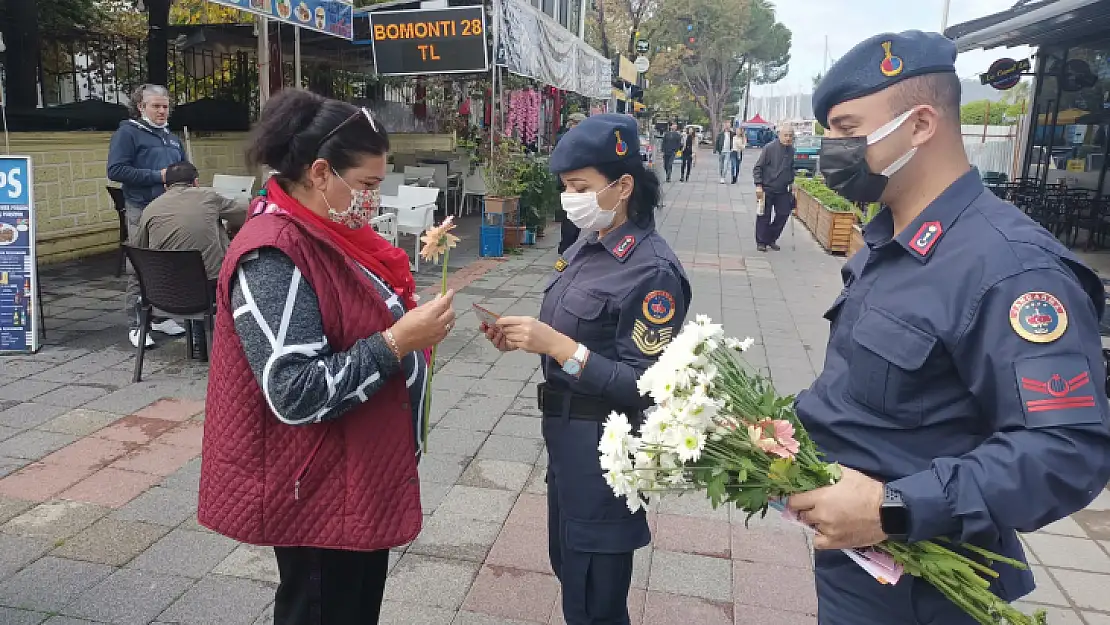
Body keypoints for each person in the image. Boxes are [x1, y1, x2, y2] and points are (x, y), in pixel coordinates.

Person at [787, 31, 1110, 625]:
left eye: (847, 127)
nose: (829, 147)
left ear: (920, 125)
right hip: (860, 571)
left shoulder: (1012, 269)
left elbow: (1066, 450)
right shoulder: (887, 244)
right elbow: (872, 396)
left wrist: (896, 506)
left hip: (922, 595)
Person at [198, 89, 457, 625]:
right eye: (366, 184)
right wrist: (397, 342)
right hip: (315, 485)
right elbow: (294, 392)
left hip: (356, 472)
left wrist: (408, 335)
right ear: (320, 173)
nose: (374, 198)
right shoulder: (273, 253)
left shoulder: (332, 234)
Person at [481, 114, 691, 625]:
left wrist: (559, 348)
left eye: (580, 186)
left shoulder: (653, 271)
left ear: (621, 186)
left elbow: (646, 386)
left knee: (595, 599)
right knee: (570, 572)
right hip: (567, 441)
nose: (568, 198)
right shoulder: (586, 242)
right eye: (565, 187)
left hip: (607, 449)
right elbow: (570, 330)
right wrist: (523, 340)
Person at [130, 161, 248, 357]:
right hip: (207, 290)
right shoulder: (209, 197)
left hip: (162, 293)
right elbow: (242, 214)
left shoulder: (150, 208)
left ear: (166, 186)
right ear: (195, 182)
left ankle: (198, 346)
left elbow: (138, 247)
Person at [109, 83, 189, 348]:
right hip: (141, 208)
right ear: (141, 107)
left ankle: (157, 317)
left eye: (165, 106)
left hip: (169, 210)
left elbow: (181, 168)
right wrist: (158, 176)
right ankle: (136, 324)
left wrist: (188, 175)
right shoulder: (128, 133)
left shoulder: (170, 136)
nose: (162, 111)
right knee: (140, 265)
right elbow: (117, 170)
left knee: (168, 262)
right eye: (156, 106)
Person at [752, 125, 795, 251]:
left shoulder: (791, 150)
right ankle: (761, 241)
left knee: (783, 213)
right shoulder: (769, 148)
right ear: (779, 135)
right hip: (766, 187)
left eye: (790, 136)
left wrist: (792, 182)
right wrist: (758, 185)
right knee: (764, 215)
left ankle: (771, 238)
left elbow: (791, 168)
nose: (788, 138)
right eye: (785, 135)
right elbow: (757, 168)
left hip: (782, 189)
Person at [557, 113, 590, 253]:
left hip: (575, 180)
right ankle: (566, 247)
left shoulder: (583, 139)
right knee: (571, 215)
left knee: (574, 214)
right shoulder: (568, 139)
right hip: (570, 181)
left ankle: (568, 245)